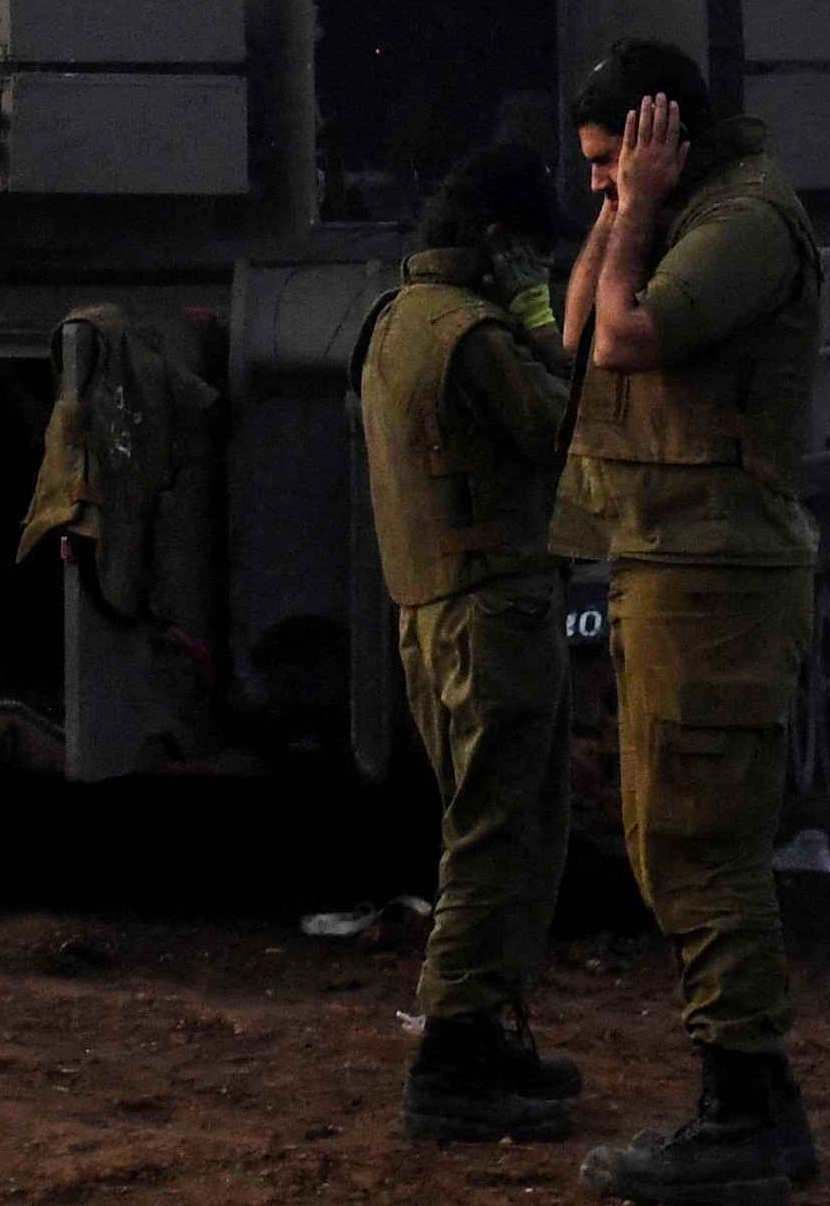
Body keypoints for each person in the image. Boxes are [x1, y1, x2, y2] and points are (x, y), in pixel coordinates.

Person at [556, 39, 830, 1201]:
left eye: (609, 158)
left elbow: (624, 340)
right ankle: (739, 1106)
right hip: (667, 562)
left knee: (706, 847)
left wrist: (641, 205)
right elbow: (577, 324)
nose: (597, 182)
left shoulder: (745, 226)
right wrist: (624, 206)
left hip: (717, 571)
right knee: (668, 836)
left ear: (666, 137)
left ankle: (752, 1116)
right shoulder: (663, 212)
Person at [356, 137, 581, 1142]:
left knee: (489, 827)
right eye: (533, 256)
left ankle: (486, 1037)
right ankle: (452, 1060)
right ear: (499, 244)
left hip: (435, 615)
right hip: (496, 616)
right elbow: (574, 432)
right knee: (502, 837)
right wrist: (541, 319)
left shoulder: (399, 317)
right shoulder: (478, 337)